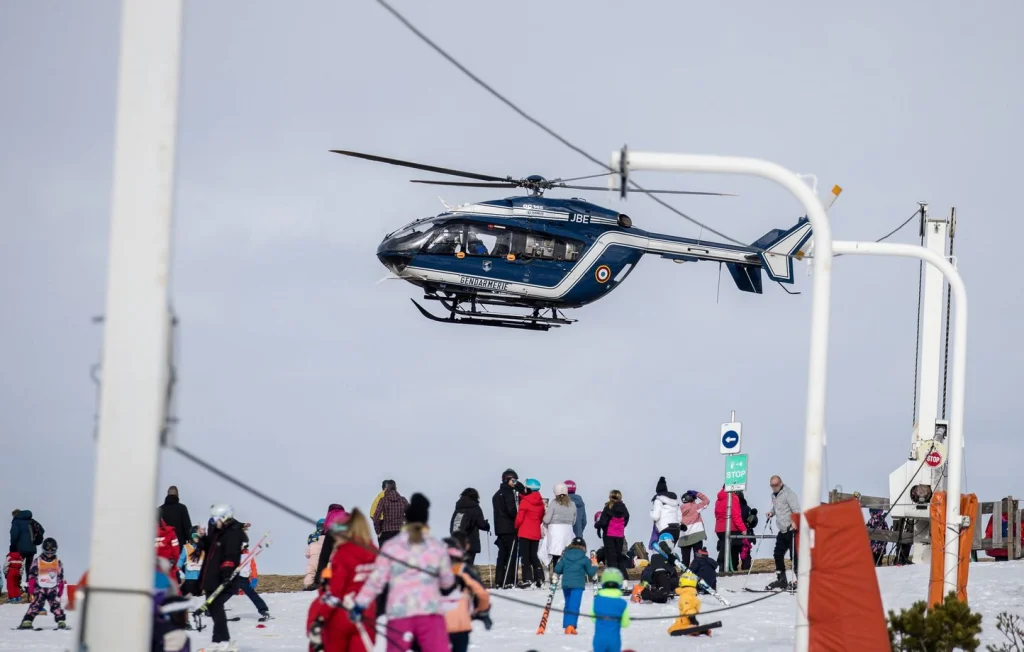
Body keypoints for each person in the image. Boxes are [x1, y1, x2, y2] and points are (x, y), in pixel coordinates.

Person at [351, 493, 456, 651]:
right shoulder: (436, 547)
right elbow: (447, 582)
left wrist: (359, 605)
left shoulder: (391, 547)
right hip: (429, 612)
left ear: (406, 520)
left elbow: (376, 581)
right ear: (426, 521)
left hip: (399, 613)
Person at [307, 508, 378, 652]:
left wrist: (320, 619)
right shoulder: (373, 551)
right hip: (367, 617)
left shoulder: (344, 553)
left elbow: (335, 592)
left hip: (342, 617)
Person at [197, 504, 245, 650]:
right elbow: (209, 547)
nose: (213, 521)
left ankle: (223, 640)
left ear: (225, 517)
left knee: (216, 607)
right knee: (212, 608)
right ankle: (217, 640)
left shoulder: (232, 533)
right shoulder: (218, 532)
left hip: (222, 577)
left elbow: (230, 555)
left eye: (216, 518)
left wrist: (226, 574)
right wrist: (203, 538)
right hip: (212, 576)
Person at [441, 537, 492, 652]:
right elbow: (482, 594)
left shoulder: (431, 572)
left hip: (436, 624)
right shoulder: (464, 571)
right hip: (460, 624)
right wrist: (483, 611)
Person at [17, 537, 67, 630]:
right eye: (47, 552)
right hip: (40, 588)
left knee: (55, 604)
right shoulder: (38, 561)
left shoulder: (57, 562)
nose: (49, 555)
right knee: (36, 604)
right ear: (44, 550)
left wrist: (60, 587)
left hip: (52, 588)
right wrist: (31, 585)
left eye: (52, 552)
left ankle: (61, 621)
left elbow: (60, 576)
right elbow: (32, 574)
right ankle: (27, 621)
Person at [554, 537, 596, 634]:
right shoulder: (584, 558)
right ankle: (570, 626)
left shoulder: (565, 556)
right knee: (574, 605)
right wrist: (595, 566)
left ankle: (567, 625)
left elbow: (557, 569)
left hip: (566, 584)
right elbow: (590, 572)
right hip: (577, 585)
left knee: (568, 604)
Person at [765, 475, 801, 591]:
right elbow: (777, 509)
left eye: (776, 485)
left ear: (781, 484)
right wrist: (771, 513)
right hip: (782, 530)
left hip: (791, 529)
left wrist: (795, 522)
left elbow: (796, 510)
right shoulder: (773, 496)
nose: (774, 488)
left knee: (794, 556)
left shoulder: (789, 494)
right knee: (777, 554)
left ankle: (800, 580)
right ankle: (781, 579)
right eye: (772, 486)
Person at [492, 469, 521, 589]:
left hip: (500, 529)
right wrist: (519, 518)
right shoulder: (509, 493)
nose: (515, 483)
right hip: (510, 528)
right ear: (506, 480)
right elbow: (511, 511)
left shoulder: (496, 494)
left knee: (502, 555)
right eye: (513, 480)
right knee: (512, 555)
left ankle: (499, 580)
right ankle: (509, 580)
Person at [514, 478, 546, 588]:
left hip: (524, 532)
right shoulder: (540, 503)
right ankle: (540, 578)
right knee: (534, 556)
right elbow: (541, 517)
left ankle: (527, 579)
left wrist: (516, 526)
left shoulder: (525, 501)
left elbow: (519, 518)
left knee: (525, 557)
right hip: (535, 532)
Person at [591, 567, 630, 652]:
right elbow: (625, 624)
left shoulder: (597, 601)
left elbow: (593, 619)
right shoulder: (622, 603)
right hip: (614, 641)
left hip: (599, 640)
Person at [449, 488, 490, 568]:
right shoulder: (475, 507)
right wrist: (487, 525)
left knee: (457, 566)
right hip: (470, 542)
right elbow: (481, 524)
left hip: (456, 541)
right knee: (468, 567)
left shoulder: (458, 508)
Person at [595, 490, 630, 582]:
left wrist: (597, 525)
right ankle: (625, 579)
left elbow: (603, 521)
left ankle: (613, 580)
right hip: (619, 535)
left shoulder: (608, 507)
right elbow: (626, 519)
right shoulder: (624, 508)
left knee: (611, 558)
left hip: (609, 535)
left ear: (610, 497)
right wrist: (620, 527)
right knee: (619, 557)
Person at [638, 533, 679, 604]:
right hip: (660, 577)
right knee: (663, 594)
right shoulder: (656, 555)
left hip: (665, 578)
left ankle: (656, 593)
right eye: (671, 542)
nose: (673, 544)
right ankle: (650, 594)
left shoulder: (671, 555)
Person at [544, 483, 577, 569]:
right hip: (568, 531)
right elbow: (574, 521)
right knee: (566, 555)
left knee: (556, 555)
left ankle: (556, 576)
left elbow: (547, 520)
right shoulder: (572, 504)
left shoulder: (554, 503)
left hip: (555, 531)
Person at [236, 540, 270, 621]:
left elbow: (253, 568)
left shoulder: (249, 556)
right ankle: (212, 609)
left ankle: (263, 610)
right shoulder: (233, 554)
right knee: (225, 594)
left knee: (252, 594)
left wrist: (254, 578)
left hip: (244, 579)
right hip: (234, 578)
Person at [668, 571, 709, 637]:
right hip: (686, 619)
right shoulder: (692, 594)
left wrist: (692, 619)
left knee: (672, 631)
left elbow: (688, 607)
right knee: (671, 629)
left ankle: (693, 629)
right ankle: (698, 630)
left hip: (684, 621)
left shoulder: (685, 595)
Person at [714, 486, 744, 573]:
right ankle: (726, 568)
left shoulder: (718, 499)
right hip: (730, 527)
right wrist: (743, 528)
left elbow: (716, 514)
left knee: (724, 546)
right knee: (730, 548)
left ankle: (722, 566)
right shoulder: (733, 498)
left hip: (719, 528)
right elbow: (736, 515)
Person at [316, 504, 348, 585]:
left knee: (324, 557)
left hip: (331, 533)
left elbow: (325, 526)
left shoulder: (330, 514)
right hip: (344, 534)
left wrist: (324, 534)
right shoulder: (345, 514)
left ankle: (319, 579)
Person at [9, 509, 41, 590]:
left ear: (15, 514)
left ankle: (17, 588)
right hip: (32, 549)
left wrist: (12, 547)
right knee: (29, 569)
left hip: (20, 550)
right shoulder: (31, 520)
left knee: (18, 568)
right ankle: (30, 588)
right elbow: (41, 530)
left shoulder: (16, 522)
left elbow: (14, 536)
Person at [159, 486, 193, 561]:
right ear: (177, 495)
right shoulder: (182, 508)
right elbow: (187, 528)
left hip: (163, 548)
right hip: (179, 547)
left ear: (167, 495)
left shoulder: (160, 510)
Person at [678, 490, 709, 568]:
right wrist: (697, 493)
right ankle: (696, 576)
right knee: (697, 559)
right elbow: (706, 501)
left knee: (685, 561)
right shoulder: (695, 507)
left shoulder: (678, 510)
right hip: (696, 536)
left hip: (683, 537)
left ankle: (684, 576)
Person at [373, 480, 409, 547]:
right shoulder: (403, 500)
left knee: (384, 556)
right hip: (400, 534)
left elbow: (376, 517)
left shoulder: (383, 500)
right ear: (396, 488)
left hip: (386, 534)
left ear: (386, 489)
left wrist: (378, 531)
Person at [650, 477, 683, 543]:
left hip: (664, 528)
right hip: (676, 529)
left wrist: (651, 512)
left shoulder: (658, 500)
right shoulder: (675, 501)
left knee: (664, 549)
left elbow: (655, 517)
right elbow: (680, 517)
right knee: (670, 549)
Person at [178, 526, 205, 597]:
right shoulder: (186, 547)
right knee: (187, 594)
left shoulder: (203, 548)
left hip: (199, 578)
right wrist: (178, 568)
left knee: (198, 596)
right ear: (191, 536)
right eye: (194, 535)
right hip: (189, 577)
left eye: (198, 536)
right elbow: (181, 559)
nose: (197, 538)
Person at [305, 518, 326, 590]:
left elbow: (307, 553)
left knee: (310, 572)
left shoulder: (313, 536)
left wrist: (310, 553)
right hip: (324, 556)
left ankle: (308, 585)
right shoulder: (328, 535)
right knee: (324, 570)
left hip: (313, 558)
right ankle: (324, 583)